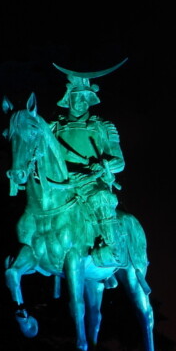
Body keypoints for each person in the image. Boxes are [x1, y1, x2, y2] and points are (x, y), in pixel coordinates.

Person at [51, 61, 127, 268]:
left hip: (91, 182)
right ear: (69, 99)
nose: (81, 102)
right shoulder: (54, 127)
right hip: (61, 182)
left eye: (85, 98)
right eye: (77, 97)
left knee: (102, 200)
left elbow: (119, 162)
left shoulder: (103, 126)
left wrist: (103, 166)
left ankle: (113, 249)